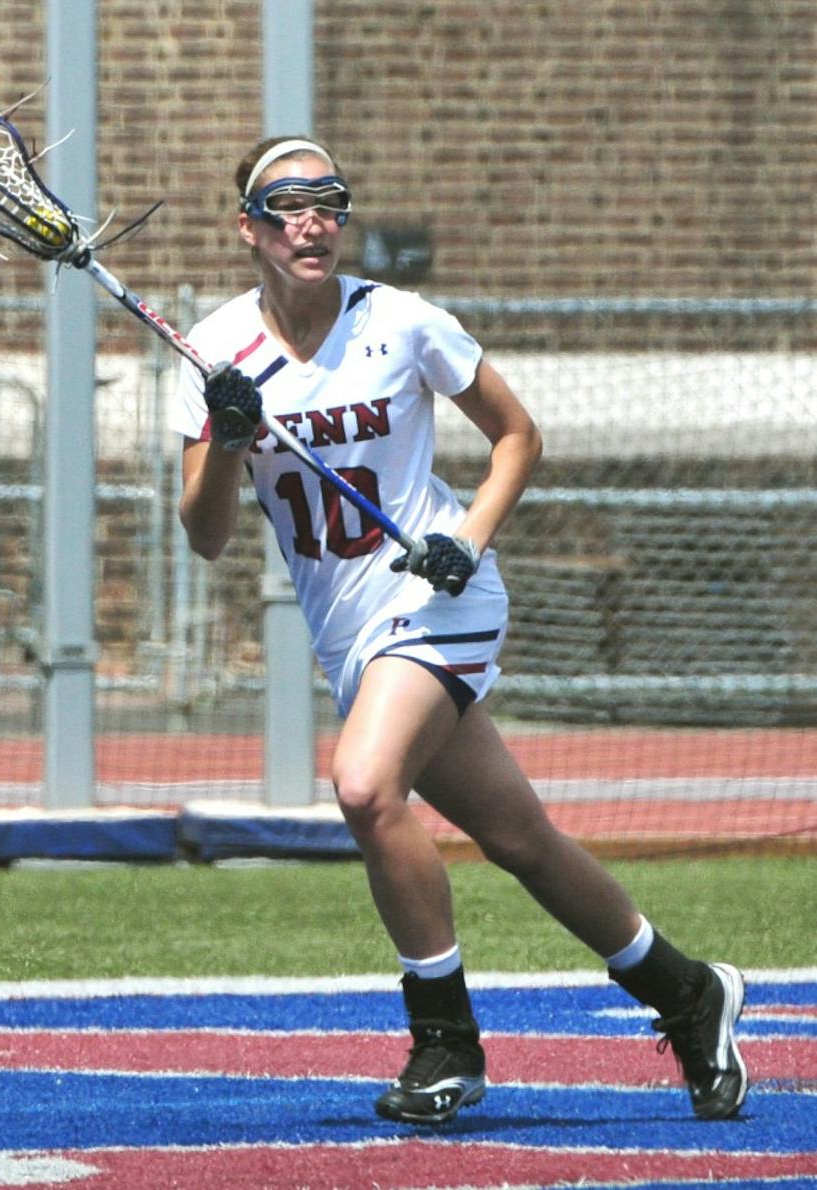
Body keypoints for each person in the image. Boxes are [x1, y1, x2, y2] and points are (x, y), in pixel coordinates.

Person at [172, 134, 748, 1125]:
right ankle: (690, 994)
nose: (311, 223)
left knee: (361, 784)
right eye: (286, 206)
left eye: (328, 203)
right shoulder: (216, 349)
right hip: (350, 634)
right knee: (520, 837)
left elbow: (518, 434)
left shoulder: (398, 322)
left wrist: (468, 538)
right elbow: (207, 534)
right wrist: (228, 440)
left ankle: (444, 1039)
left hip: (439, 597)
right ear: (249, 229)